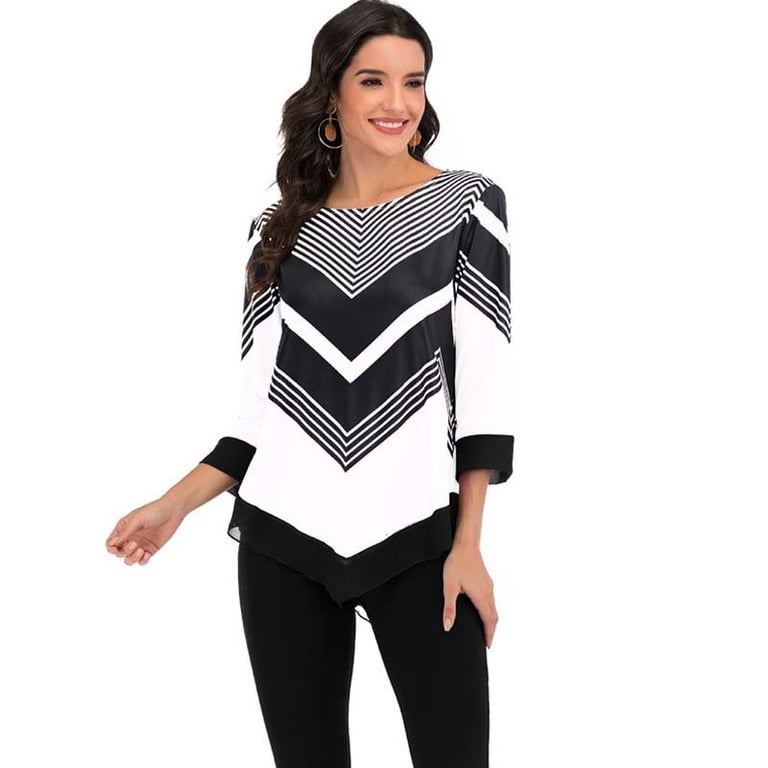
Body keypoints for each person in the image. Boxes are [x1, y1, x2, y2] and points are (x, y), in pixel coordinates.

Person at [105, 1, 514, 766]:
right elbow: (255, 417)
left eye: (414, 82)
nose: (398, 102)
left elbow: (486, 390)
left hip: (418, 538)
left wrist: (469, 546)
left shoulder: (468, 204)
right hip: (282, 542)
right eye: (373, 80)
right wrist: (174, 504)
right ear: (332, 93)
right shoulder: (277, 230)